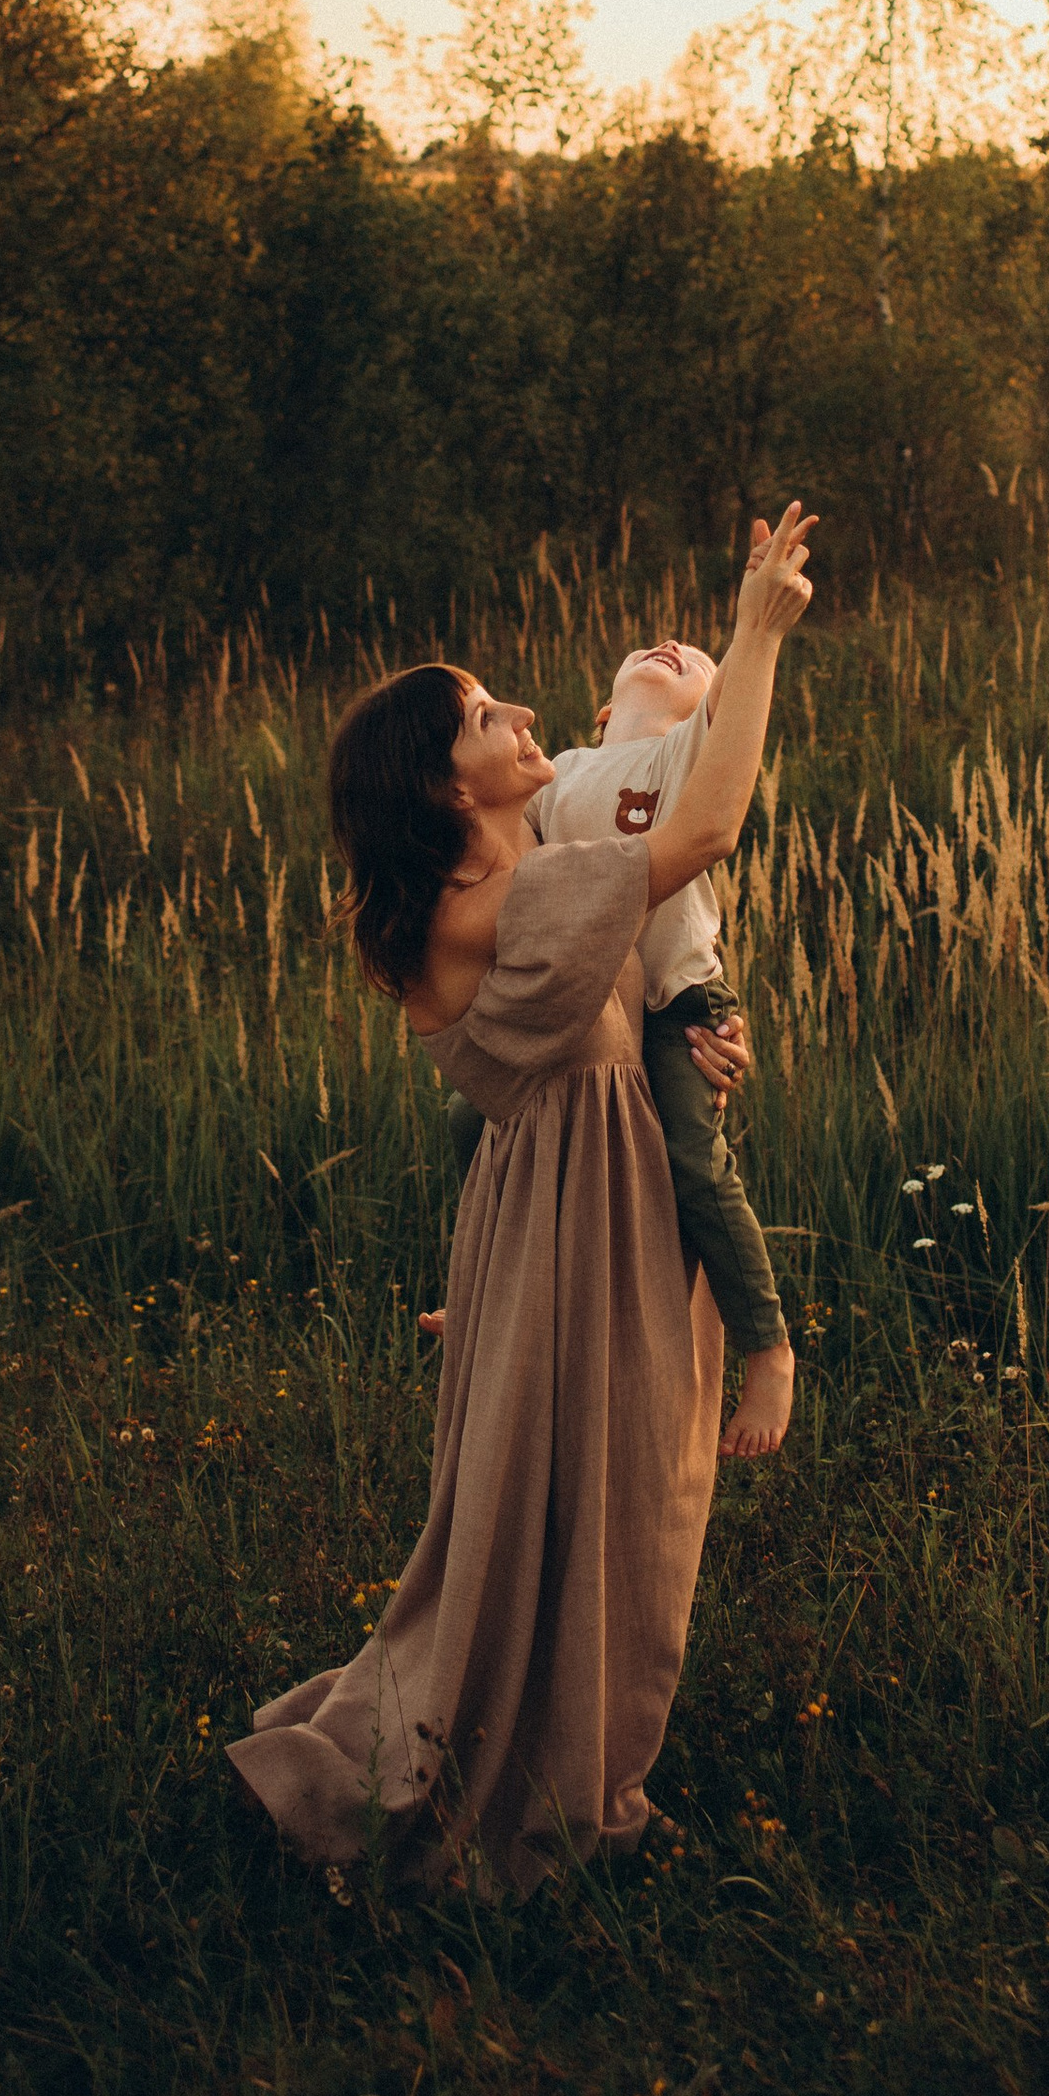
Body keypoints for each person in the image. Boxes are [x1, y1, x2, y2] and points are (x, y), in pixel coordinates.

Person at [226, 502, 818, 1893]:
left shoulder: (532, 876)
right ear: (444, 788)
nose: (519, 712)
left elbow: (618, 995)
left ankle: (585, 1776)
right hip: (569, 1228)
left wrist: (701, 1040)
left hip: (596, 1213)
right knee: (597, 1506)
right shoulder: (467, 913)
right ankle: (554, 1803)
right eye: (486, 714)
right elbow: (710, 824)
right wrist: (753, 636)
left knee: (627, 1503)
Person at [432, 628, 796, 1456]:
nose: (671, 644)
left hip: (679, 1002)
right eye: (651, 647)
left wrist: (753, 625)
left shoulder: (684, 756)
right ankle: (476, 1286)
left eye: (695, 662)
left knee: (695, 1163)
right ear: (601, 712)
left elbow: (734, 709)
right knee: (466, 1119)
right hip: (590, 1003)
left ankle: (768, 1348)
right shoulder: (559, 774)